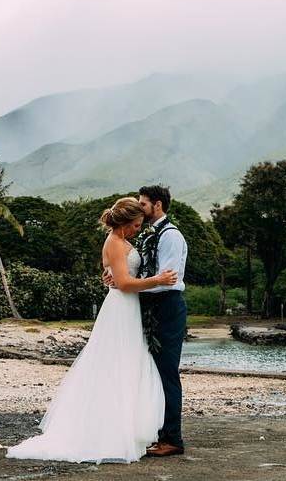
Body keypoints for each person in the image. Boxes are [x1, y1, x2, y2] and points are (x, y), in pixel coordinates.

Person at [5, 196, 178, 463]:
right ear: (123, 224)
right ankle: (111, 433)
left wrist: (119, 278)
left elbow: (115, 277)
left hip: (129, 308)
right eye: (135, 225)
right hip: (121, 308)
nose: (138, 229)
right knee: (115, 366)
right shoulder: (114, 242)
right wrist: (158, 280)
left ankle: (126, 429)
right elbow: (123, 283)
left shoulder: (121, 241)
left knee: (127, 365)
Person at [104, 184, 188, 457]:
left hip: (167, 307)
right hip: (147, 307)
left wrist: (125, 283)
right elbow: (132, 270)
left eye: (143, 203)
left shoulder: (171, 236)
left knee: (165, 373)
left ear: (157, 205)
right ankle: (156, 431)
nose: (139, 208)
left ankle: (172, 438)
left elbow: (168, 281)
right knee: (151, 371)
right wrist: (118, 279)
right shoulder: (148, 234)